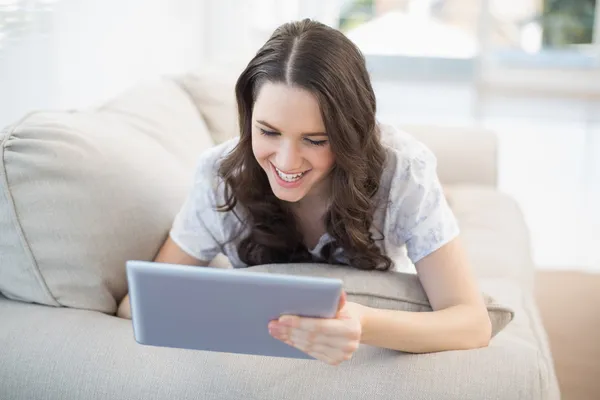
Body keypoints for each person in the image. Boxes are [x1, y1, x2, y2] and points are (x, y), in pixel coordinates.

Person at [118, 19, 491, 366]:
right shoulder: (221, 175)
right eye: (268, 131)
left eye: (314, 140)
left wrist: (360, 322)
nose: (286, 161)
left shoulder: (404, 171)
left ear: (351, 133)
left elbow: (473, 322)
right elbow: (137, 305)